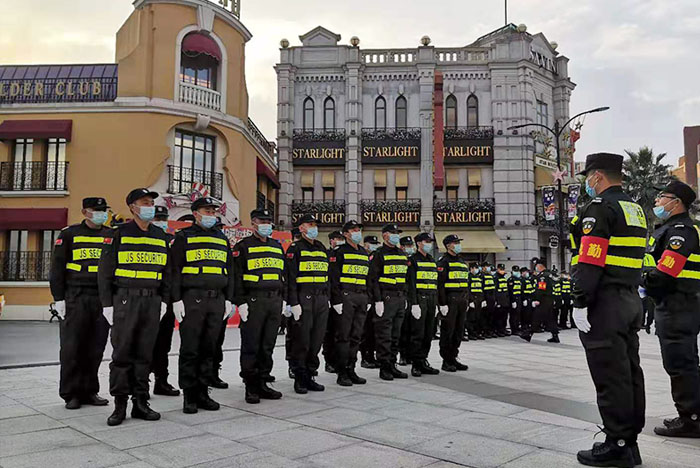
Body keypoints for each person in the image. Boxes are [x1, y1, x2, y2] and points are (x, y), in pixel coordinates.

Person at [571, 153, 647, 467]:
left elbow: (591, 259)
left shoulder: (600, 207)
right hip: (629, 298)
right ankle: (629, 441)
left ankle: (617, 444)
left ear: (598, 176)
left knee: (610, 375)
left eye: (588, 177)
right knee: (629, 373)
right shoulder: (635, 209)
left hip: (606, 302)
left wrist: (579, 301)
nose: (587, 183)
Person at [99, 188, 171, 426]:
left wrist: (164, 300)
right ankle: (120, 404)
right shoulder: (118, 234)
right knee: (122, 354)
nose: (149, 206)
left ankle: (141, 402)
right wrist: (107, 305)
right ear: (132, 207)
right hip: (125, 300)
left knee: (144, 354)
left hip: (152, 301)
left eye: (151, 202)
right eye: (144, 202)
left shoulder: (161, 236)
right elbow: (104, 273)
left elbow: (168, 273)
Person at [643, 181, 700, 438]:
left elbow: (666, 271)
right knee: (683, 362)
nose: (657, 202)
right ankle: (691, 414)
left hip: (679, 305)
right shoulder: (673, 228)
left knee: (680, 363)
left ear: (676, 202)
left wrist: (642, 281)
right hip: (677, 304)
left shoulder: (681, 231)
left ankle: (691, 419)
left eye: (662, 197)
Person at [170, 197, 235, 414]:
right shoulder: (184, 237)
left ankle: (203, 392)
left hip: (216, 299)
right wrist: (176, 299)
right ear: (196, 213)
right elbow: (174, 270)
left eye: (213, 211)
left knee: (209, 348)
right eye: (207, 211)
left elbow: (229, 270)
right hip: (192, 299)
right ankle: (189, 395)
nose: (211, 215)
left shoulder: (221, 238)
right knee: (191, 349)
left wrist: (228, 298)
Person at [50, 197, 112, 410]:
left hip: (101, 298)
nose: (101, 214)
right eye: (96, 210)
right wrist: (59, 298)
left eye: (104, 210)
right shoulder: (69, 234)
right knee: (72, 347)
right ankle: (71, 393)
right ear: (85, 212)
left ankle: (90, 391)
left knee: (96, 347)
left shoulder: (110, 235)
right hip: (75, 297)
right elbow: (57, 269)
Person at [233, 209, 285, 404]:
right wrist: (240, 302)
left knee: (267, 345)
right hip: (254, 302)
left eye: (268, 221)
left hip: (274, 301)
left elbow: (283, 274)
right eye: (262, 221)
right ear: (253, 223)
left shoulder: (276, 246)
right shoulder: (243, 246)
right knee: (251, 345)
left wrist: (284, 299)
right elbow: (237, 276)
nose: (266, 225)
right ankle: (251, 386)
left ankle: (263, 382)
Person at [286, 214, 330, 394]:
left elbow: (327, 275)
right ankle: (299, 378)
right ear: (301, 228)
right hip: (304, 299)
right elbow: (290, 278)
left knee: (316, 341)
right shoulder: (295, 248)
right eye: (310, 224)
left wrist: (328, 298)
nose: (313, 228)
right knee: (302, 341)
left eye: (315, 225)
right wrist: (293, 302)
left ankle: (310, 375)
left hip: (321, 300)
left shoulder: (320, 247)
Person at [328, 220, 371, 386]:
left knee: (356, 336)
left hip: (361, 296)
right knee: (343, 336)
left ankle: (351, 368)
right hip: (346, 296)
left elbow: (368, 277)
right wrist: (337, 300)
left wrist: (368, 298)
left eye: (359, 230)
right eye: (354, 230)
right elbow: (334, 278)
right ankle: (341, 371)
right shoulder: (339, 252)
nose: (357, 232)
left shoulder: (363, 252)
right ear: (345, 234)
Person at [368, 224, 410, 380]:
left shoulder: (401, 254)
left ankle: (392, 365)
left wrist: (405, 296)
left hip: (399, 298)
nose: (396, 235)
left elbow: (405, 277)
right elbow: (373, 279)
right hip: (386, 298)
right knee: (384, 335)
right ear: (385, 235)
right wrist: (377, 300)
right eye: (393, 233)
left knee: (395, 335)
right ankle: (384, 367)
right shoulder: (379, 254)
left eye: (397, 233)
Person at [149, 205, 180, 397]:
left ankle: (161, 381)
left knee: (163, 343)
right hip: (148, 297)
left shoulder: (172, 240)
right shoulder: (145, 239)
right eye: (157, 218)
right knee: (144, 343)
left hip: (166, 300)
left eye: (163, 218)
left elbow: (175, 271)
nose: (161, 222)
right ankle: (141, 383)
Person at [405, 232, 440, 377]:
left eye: (430, 241)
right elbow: (411, 284)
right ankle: (416, 364)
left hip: (431, 299)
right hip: (420, 299)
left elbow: (435, 282)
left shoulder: (432, 260)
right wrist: (414, 303)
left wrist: (437, 303)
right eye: (426, 241)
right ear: (419, 243)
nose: (429, 244)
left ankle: (423, 360)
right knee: (417, 333)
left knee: (428, 333)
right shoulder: (412, 260)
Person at [436, 235, 469, 372]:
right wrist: (442, 304)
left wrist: (467, 299)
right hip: (450, 300)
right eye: (455, 243)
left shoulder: (461, 261)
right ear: (448, 245)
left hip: (462, 300)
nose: (458, 245)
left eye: (458, 242)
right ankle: (446, 360)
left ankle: (453, 357)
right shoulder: (443, 262)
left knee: (458, 331)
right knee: (448, 331)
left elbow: (466, 282)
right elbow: (440, 285)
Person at [322, 230, 345, 374]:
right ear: (331, 240)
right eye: (337, 238)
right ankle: (329, 360)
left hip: (344, 297)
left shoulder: (344, 254)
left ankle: (339, 360)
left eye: (341, 238)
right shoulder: (327, 254)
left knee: (341, 332)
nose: (340, 240)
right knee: (329, 332)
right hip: (330, 298)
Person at [521, 259, 559, 343]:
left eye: (536, 266)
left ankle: (529, 333)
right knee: (550, 318)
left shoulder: (543, 276)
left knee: (536, 317)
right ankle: (555, 335)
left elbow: (541, 289)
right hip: (550, 299)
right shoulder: (550, 274)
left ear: (540, 266)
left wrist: (537, 299)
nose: (536, 267)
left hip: (544, 300)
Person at [360, 235, 380, 369]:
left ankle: (372, 356)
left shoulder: (375, 257)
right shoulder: (364, 257)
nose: (373, 246)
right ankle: (365, 357)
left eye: (375, 243)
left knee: (373, 330)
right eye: (371, 243)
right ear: (365, 244)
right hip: (365, 297)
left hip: (374, 298)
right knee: (365, 330)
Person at [398, 235, 416, 365]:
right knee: (402, 328)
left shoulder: (413, 260)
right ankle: (402, 354)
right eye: (408, 246)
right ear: (402, 247)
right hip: (401, 296)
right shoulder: (399, 259)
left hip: (412, 297)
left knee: (412, 327)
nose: (410, 248)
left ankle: (410, 354)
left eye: (411, 246)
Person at [467, 262, 484, 340]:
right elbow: (468, 290)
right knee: (471, 318)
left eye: (477, 268)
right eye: (475, 268)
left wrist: (483, 299)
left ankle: (477, 333)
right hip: (473, 299)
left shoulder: (479, 277)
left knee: (478, 317)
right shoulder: (468, 277)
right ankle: (471, 333)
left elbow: (481, 289)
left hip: (479, 300)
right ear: (471, 269)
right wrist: (470, 301)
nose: (476, 269)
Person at [493, 264, 510, 336]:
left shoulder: (503, 278)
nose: (502, 271)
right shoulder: (495, 278)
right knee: (499, 317)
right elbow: (494, 291)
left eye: (503, 269)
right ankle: (498, 330)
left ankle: (503, 329)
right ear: (498, 269)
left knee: (504, 316)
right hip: (499, 300)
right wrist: (496, 301)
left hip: (505, 300)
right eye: (501, 269)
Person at [481, 262, 496, 338]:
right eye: (486, 266)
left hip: (491, 299)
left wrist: (495, 299)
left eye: (488, 266)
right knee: (485, 316)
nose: (488, 268)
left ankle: (490, 331)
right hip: (486, 298)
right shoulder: (481, 276)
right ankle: (484, 331)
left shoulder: (491, 276)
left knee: (491, 316)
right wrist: (483, 299)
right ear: (483, 267)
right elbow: (481, 288)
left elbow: (493, 289)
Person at [507, 266, 522, 334]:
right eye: (515, 271)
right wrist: (513, 301)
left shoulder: (518, 280)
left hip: (518, 298)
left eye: (517, 271)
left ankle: (517, 327)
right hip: (513, 299)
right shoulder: (511, 280)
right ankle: (514, 329)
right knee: (513, 315)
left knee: (518, 314)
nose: (517, 272)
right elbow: (510, 291)